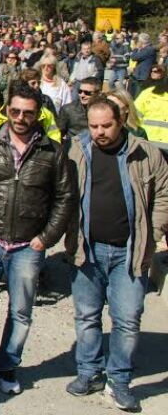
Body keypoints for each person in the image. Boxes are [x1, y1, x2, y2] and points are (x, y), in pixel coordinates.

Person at [0, 83, 74, 395]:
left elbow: (65, 198)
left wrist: (46, 238)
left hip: (28, 245)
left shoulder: (53, 152)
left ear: (39, 115)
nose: (20, 118)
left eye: (28, 113)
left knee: (21, 311)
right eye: (15, 111)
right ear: (7, 110)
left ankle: (7, 365)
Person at [62, 97, 168, 411]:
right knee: (87, 316)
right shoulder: (76, 150)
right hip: (87, 250)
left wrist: (154, 234)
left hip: (130, 253)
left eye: (106, 125)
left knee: (127, 319)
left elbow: (163, 195)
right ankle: (89, 372)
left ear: (121, 121)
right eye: (94, 126)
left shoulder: (145, 153)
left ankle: (119, 381)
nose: (100, 132)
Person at [57, 76, 98, 142]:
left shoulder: (105, 110)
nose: (82, 95)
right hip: (75, 145)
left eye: (87, 93)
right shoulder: (68, 109)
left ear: (98, 93)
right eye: (80, 91)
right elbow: (58, 134)